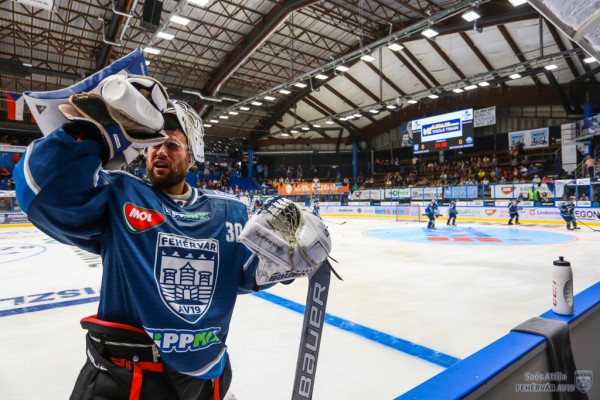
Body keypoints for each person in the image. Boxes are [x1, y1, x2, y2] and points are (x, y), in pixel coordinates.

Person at [14, 76, 331, 400]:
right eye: (153, 144)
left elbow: (250, 273)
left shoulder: (229, 211)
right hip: (125, 383)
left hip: (207, 379)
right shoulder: (119, 194)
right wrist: (93, 130)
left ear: (191, 155)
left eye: (172, 144)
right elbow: (43, 193)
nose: (159, 151)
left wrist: (292, 253)